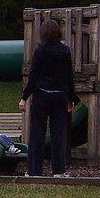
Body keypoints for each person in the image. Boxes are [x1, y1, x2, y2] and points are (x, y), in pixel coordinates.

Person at [19, 19, 78, 176]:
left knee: (37, 133)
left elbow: (33, 75)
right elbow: (69, 76)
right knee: (58, 134)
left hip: (42, 95)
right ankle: (58, 170)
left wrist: (25, 97)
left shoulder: (40, 51)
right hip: (60, 95)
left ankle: (34, 170)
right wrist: (71, 98)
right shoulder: (65, 51)